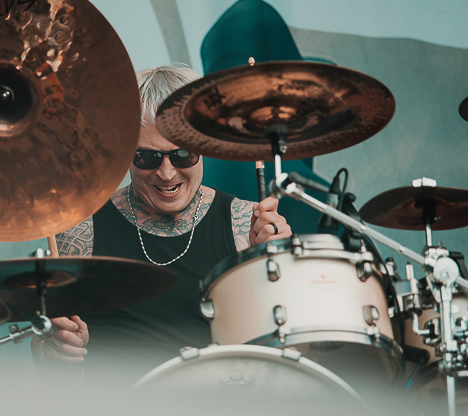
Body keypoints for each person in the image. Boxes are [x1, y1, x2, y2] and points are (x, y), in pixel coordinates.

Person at [31, 65, 291, 386]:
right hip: (114, 412)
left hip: (218, 409)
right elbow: (48, 361)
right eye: (147, 157)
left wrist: (279, 266)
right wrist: (57, 351)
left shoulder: (248, 226)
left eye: (183, 155)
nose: (167, 174)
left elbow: (284, 350)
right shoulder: (79, 231)